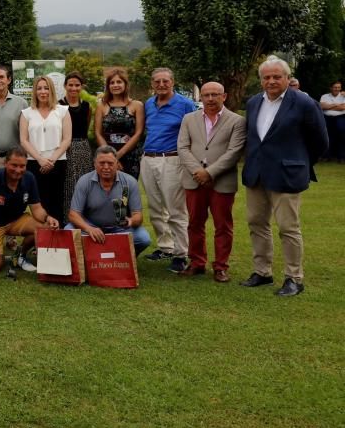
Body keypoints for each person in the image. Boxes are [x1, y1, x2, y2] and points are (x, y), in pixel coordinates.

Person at [241, 56, 329, 297]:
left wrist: (300, 163)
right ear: (261, 81)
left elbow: (320, 141)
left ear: (287, 78)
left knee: (288, 228)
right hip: (257, 173)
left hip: (287, 175)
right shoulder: (253, 103)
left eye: (276, 76)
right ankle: (262, 272)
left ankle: (294, 278)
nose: (271, 81)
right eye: (266, 77)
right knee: (256, 223)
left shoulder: (304, 103)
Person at [177, 82, 246, 282]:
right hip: (193, 179)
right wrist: (197, 171)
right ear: (201, 97)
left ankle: (221, 267)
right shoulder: (188, 119)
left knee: (223, 225)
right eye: (206, 95)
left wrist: (210, 173)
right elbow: (182, 148)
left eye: (215, 94)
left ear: (224, 96)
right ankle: (197, 263)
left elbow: (234, 152)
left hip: (222, 180)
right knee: (194, 223)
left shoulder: (237, 121)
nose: (210, 98)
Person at [140, 67, 197, 273]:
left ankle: (181, 254)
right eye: (157, 81)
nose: (161, 85)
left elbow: (195, 133)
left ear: (172, 82)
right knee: (155, 208)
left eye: (165, 81)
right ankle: (166, 247)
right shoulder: (149, 104)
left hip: (172, 159)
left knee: (175, 210)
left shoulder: (185, 104)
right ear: (152, 84)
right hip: (148, 159)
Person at [0, 147, 60, 274]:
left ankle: (20, 255)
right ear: (5, 163)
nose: (18, 170)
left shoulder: (29, 178)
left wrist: (48, 218)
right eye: (14, 165)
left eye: (22, 166)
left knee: (47, 227)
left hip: (16, 220)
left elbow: (36, 208)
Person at [64, 146, 151, 256]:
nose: (106, 167)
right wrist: (89, 228)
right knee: (68, 231)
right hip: (91, 225)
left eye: (110, 163)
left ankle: (125, 258)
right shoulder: (84, 181)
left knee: (144, 239)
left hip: (120, 228)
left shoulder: (129, 181)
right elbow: (73, 215)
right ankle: (88, 259)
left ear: (117, 163)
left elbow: (138, 216)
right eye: (102, 163)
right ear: (95, 164)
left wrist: (130, 221)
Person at [19, 75, 71, 222]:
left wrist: (52, 160)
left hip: (58, 162)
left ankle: (58, 241)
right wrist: (41, 159)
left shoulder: (62, 111)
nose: (43, 91)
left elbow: (67, 139)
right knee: (38, 202)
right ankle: (40, 241)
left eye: (46, 88)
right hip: (34, 163)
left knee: (56, 201)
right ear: (34, 92)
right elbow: (24, 140)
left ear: (52, 90)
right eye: (39, 88)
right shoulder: (26, 113)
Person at [94, 67, 144, 179]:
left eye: (119, 82)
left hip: (130, 156)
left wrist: (117, 156)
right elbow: (98, 133)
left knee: (127, 192)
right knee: (107, 190)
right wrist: (109, 156)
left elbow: (138, 133)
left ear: (125, 84)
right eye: (112, 82)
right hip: (106, 158)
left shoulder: (137, 105)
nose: (115, 85)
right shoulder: (101, 106)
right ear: (108, 86)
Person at [59, 72, 93, 219]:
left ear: (82, 86)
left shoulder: (87, 106)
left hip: (83, 149)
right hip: (65, 148)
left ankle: (85, 218)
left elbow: (86, 126)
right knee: (68, 185)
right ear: (65, 86)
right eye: (70, 85)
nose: (73, 88)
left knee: (85, 183)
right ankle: (68, 218)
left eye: (77, 85)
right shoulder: (58, 106)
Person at [319, 81, 345, 163]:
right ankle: (326, 156)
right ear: (331, 88)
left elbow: (343, 108)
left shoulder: (344, 96)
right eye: (335, 87)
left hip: (340, 118)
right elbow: (322, 106)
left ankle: (341, 157)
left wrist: (329, 106)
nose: (337, 89)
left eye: (338, 87)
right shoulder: (325, 96)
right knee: (326, 136)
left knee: (342, 136)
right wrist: (337, 105)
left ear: (340, 88)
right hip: (327, 118)